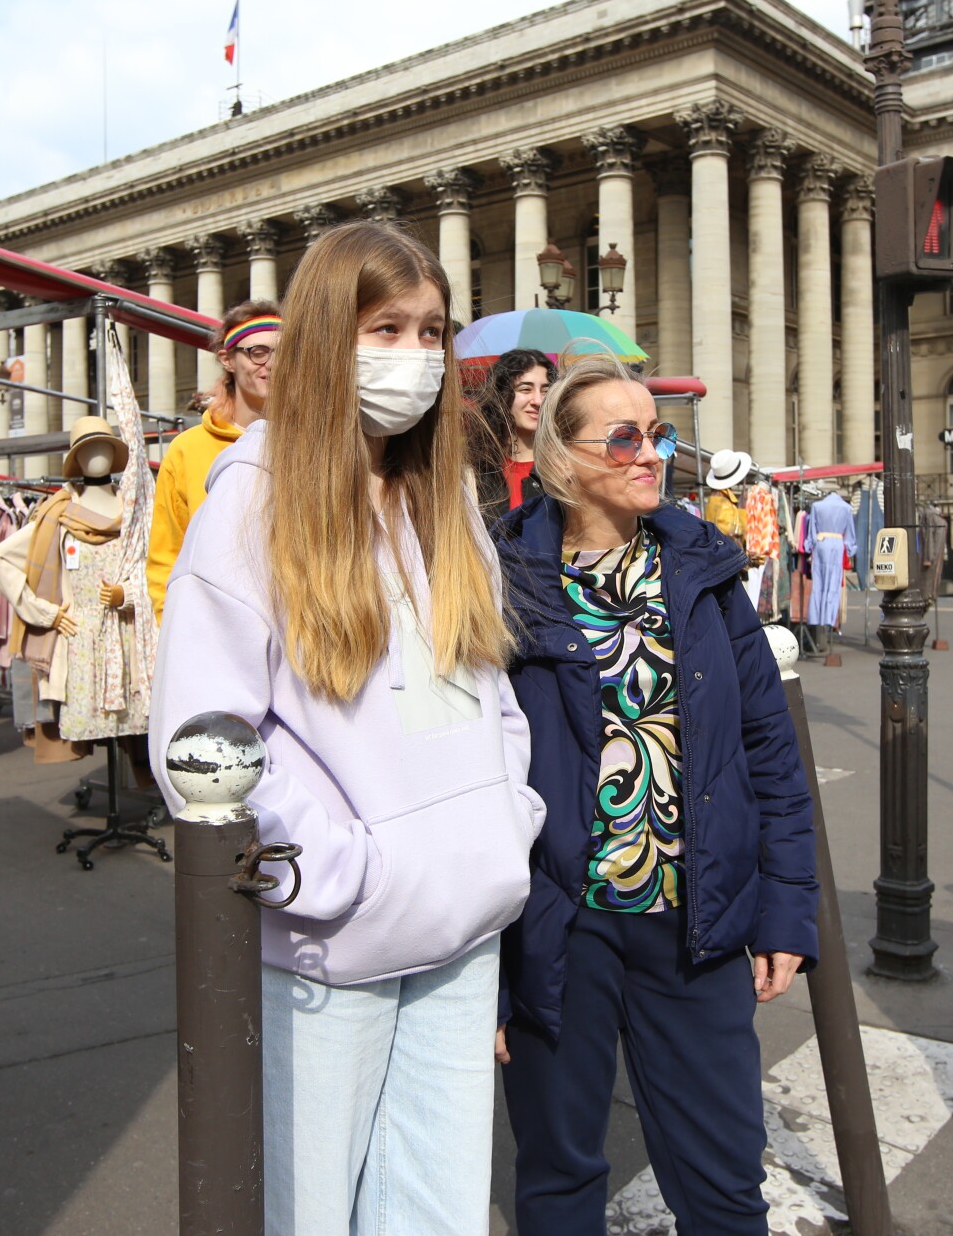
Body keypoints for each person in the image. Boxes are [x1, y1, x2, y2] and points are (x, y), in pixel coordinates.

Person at [148, 221, 544, 1234]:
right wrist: (338, 872)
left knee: (438, 1210)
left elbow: (487, 681)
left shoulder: (440, 491)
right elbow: (203, 737)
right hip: (335, 937)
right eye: (386, 327)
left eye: (431, 332)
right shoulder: (249, 500)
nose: (414, 356)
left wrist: (507, 816)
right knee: (307, 1210)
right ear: (329, 336)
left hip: (463, 913)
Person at [491, 353, 819, 1234]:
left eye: (659, 433)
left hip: (696, 920)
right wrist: (484, 975)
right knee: (559, 1174)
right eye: (625, 436)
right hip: (558, 929)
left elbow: (770, 755)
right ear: (562, 456)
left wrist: (786, 909)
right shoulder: (501, 581)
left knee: (723, 1178)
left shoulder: (704, 574)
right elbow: (470, 778)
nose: (652, 454)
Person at [144, 300, 279, 617]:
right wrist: (174, 631)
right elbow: (166, 556)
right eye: (258, 352)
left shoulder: (308, 442)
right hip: (214, 631)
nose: (272, 364)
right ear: (227, 360)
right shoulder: (187, 449)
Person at [472, 347, 556, 522]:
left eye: (545, 391)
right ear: (502, 395)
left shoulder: (562, 468)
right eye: (525, 390)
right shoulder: (475, 470)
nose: (538, 401)